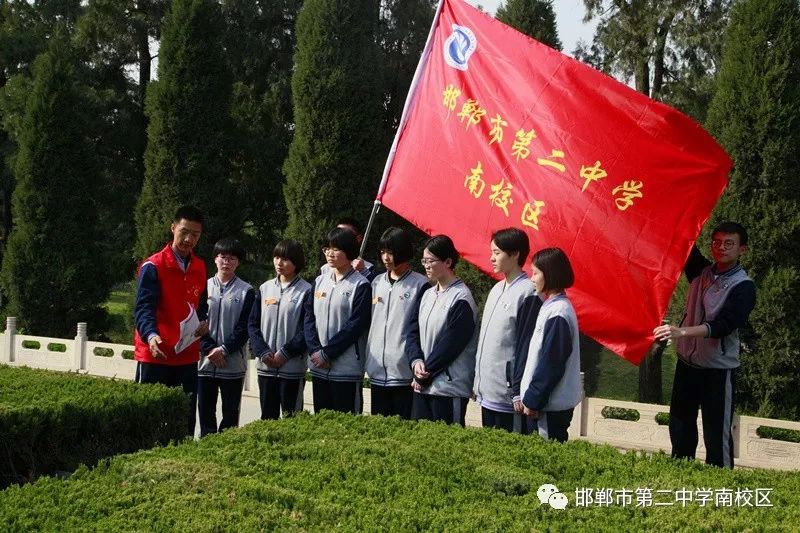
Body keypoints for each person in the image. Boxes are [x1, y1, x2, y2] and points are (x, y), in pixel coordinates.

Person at [653, 222, 756, 468]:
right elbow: (682, 243)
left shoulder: (744, 286)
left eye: (729, 243)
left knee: (715, 435)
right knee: (679, 427)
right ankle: (682, 477)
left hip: (718, 370)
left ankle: (721, 490)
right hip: (687, 365)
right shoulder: (701, 271)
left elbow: (723, 326)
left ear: (742, 249)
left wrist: (681, 332)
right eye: (716, 242)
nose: (721, 248)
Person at [134, 205, 209, 435]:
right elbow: (143, 309)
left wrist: (204, 321)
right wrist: (152, 336)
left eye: (195, 235)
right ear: (173, 227)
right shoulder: (153, 266)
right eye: (184, 232)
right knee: (148, 417)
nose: (188, 239)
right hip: (156, 353)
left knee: (184, 419)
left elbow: (201, 305)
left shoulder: (199, 267)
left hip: (186, 355)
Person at [407, 235, 477, 427]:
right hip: (423, 384)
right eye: (424, 261)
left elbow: (451, 345)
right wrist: (416, 361)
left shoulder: (461, 298)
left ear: (448, 262)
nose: (426, 266)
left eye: (431, 261)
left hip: (448, 388)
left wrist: (424, 374)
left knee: (446, 446)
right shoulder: (427, 294)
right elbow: (412, 332)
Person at [474, 228, 536, 432]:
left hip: (509, 396)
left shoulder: (528, 292)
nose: (491, 258)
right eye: (491, 252)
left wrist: (517, 389)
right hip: (487, 391)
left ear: (515, 253)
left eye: (497, 252)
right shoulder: (496, 289)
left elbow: (526, 345)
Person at [517, 247, 581, 442]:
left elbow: (551, 363)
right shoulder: (552, 306)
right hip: (545, 405)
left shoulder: (559, 312)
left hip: (549, 407)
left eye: (536, 273)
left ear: (550, 274)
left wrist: (534, 399)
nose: (532, 278)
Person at [304, 227, 372, 414]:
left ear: (349, 252)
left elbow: (355, 326)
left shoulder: (361, 285)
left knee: (346, 425)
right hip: (318, 366)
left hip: (346, 368)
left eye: (336, 249)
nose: (330, 253)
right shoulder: (319, 281)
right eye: (327, 248)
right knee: (321, 422)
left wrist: (328, 353)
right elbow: (309, 318)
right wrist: (315, 351)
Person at [365, 227, 429, 419]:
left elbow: (418, 328)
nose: (386, 257)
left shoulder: (421, 284)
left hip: (403, 373)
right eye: (383, 252)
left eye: (391, 252)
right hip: (376, 372)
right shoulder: (376, 283)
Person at [248, 239, 313, 419]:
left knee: (292, 419)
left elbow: (306, 330)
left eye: (285, 259)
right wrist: (262, 351)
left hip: (292, 367)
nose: (279, 262)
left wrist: (285, 353)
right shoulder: (264, 288)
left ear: (296, 262)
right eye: (276, 257)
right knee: (267, 418)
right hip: (266, 366)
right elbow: (253, 324)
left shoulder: (306, 291)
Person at [197, 238, 255, 436]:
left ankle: (226, 445)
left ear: (238, 262)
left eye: (232, 258)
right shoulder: (202, 287)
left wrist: (223, 349)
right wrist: (209, 349)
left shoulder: (247, 290)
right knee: (205, 411)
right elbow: (195, 321)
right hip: (205, 362)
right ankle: (206, 444)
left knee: (230, 413)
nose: (226, 262)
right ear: (215, 259)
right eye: (223, 257)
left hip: (232, 362)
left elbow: (245, 326)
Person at [320, 217, 376, 282]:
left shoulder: (368, 268)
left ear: (359, 238)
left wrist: (363, 271)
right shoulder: (325, 269)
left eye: (346, 234)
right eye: (338, 232)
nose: (340, 236)